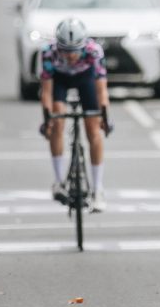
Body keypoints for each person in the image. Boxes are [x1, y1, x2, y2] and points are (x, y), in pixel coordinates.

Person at [39, 18, 112, 211]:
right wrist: (48, 120)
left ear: (83, 46)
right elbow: (46, 92)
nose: (70, 56)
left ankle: (97, 190)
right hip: (60, 80)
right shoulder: (48, 52)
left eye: (75, 51)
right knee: (58, 122)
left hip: (85, 79)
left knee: (93, 130)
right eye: (65, 51)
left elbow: (101, 90)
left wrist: (104, 116)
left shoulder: (93, 51)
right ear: (58, 46)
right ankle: (58, 182)